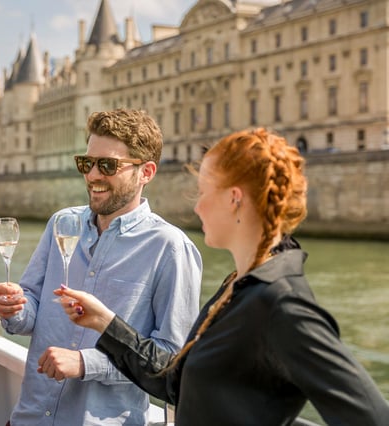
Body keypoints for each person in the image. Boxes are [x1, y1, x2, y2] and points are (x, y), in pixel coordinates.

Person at [56, 128, 389, 425]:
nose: (196, 207)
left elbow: (371, 416)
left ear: (234, 199)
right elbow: (176, 384)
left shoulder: (282, 305)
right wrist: (106, 323)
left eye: (203, 192)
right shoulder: (240, 285)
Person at [0, 108, 203, 425]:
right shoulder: (61, 223)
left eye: (107, 165)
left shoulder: (170, 248)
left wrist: (85, 362)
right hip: (29, 417)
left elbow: (172, 360)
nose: (92, 176)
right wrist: (15, 309)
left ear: (146, 172)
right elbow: (33, 305)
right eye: (86, 163)